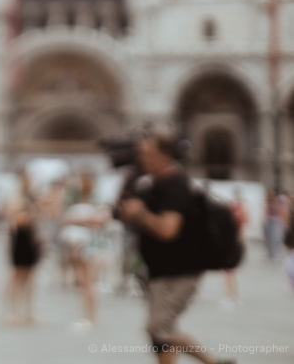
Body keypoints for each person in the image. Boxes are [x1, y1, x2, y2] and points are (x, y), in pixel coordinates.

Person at [119, 129, 235, 364]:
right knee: (163, 331)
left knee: (158, 327)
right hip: (159, 271)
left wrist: (138, 213)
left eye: (148, 153)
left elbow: (167, 229)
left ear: (166, 155)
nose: (142, 158)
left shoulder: (176, 185)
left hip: (180, 272)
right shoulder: (150, 185)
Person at [58, 172, 110, 329]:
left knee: (90, 282)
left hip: (92, 245)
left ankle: (92, 317)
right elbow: (62, 218)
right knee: (81, 281)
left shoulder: (98, 199)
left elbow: (101, 220)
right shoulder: (77, 198)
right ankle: (85, 315)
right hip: (78, 245)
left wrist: (79, 220)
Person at [4, 169, 40, 325]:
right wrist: (32, 211)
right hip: (20, 239)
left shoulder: (31, 197)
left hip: (31, 239)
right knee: (16, 276)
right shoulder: (15, 198)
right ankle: (12, 311)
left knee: (30, 277)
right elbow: (18, 221)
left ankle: (28, 312)